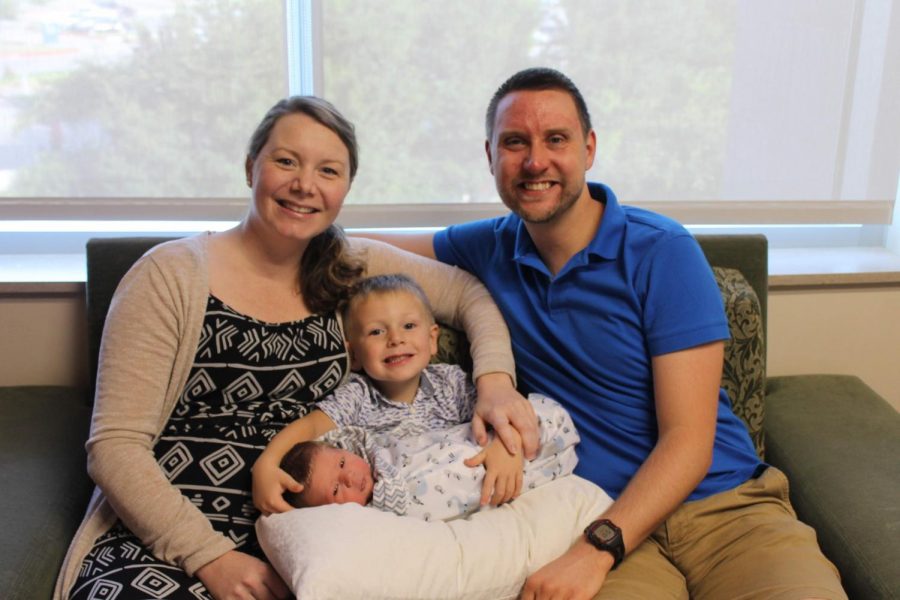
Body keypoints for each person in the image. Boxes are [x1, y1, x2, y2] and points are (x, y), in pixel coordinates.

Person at [365, 67, 847, 600]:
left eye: (556, 139)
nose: (534, 161)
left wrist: (594, 551)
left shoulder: (662, 251)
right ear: (490, 156)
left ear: (589, 149)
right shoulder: (488, 247)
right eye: (514, 142)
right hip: (590, 509)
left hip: (725, 510)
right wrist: (271, 231)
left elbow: (688, 442)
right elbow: (356, 250)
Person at [54, 96, 534, 600]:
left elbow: (467, 295)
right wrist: (209, 556)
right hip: (169, 531)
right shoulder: (169, 276)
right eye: (286, 161)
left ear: (345, 189)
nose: (305, 184)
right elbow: (115, 448)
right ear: (250, 167)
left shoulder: (351, 265)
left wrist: (496, 384)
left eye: (328, 170)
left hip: (314, 530)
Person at [252, 273, 533, 515]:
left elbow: (498, 418)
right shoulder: (358, 397)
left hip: (469, 493)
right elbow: (310, 426)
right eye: (376, 332)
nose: (396, 339)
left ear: (432, 338)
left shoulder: (452, 383)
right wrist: (267, 463)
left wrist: (506, 448)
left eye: (409, 326)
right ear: (355, 356)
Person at [278, 389, 579, 521]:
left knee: (541, 420)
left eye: (342, 462)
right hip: (489, 484)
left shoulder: (383, 449)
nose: (348, 476)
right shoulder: (377, 519)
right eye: (335, 489)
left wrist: (505, 444)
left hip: (494, 443)